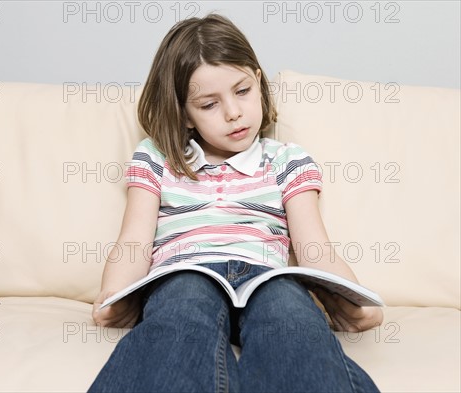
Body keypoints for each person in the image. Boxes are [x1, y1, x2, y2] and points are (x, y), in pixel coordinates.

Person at [88, 14, 383, 393]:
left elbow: (315, 250)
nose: (233, 112)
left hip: (267, 276)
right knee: (182, 307)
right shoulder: (157, 157)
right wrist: (112, 296)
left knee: (289, 314)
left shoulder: (285, 159)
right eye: (209, 104)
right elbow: (133, 240)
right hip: (186, 272)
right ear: (185, 114)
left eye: (242, 91)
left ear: (258, 81)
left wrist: (356, 301)